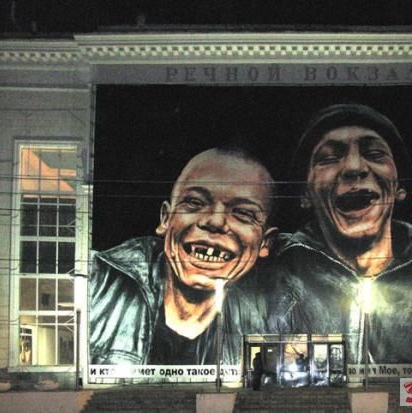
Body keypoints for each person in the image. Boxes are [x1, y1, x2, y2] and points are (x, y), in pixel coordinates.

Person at [267, 104, 412, 366]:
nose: (354, 167)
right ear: (305, 194)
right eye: (329, 157)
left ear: (399, 187)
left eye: (374, 154)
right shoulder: (275, 278)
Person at [90, 147, 277, 366]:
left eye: (243, 213)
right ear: (165, 219)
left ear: (265, 242)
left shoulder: (270, 320)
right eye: (195, 202)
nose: (215, 221)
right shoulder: (96, 283)